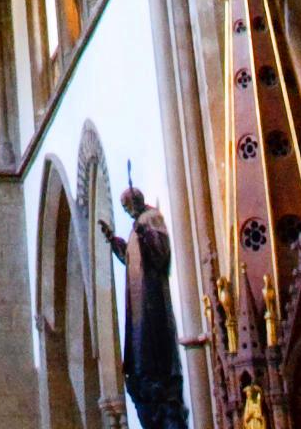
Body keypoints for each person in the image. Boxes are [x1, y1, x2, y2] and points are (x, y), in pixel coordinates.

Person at [102, 182, 189, 429]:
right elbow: (131, 260)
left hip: (152, 302)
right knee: (140, 353)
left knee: (152, 350)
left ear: (135, 202)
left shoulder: (151, 219)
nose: (126, 211)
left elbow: (160, 254)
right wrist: (116, 243)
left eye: (126, 206)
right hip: (138, 304)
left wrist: (144, 234)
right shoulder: (137, 226)